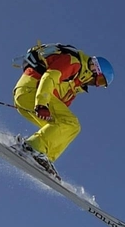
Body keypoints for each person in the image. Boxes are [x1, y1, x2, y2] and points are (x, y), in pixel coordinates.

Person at [12, 43, 113, 174]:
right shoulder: (74, 62)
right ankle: (32, 148)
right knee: (71, 123)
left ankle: (42, 157)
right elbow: (49, 77)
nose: (96, 85)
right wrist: (41, 104)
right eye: (99, 80)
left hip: (32, 98)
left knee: (65, 129)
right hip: (32, 90)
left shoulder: (76, 86)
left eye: (101, 84)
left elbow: (61, 107)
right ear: (94, 67)